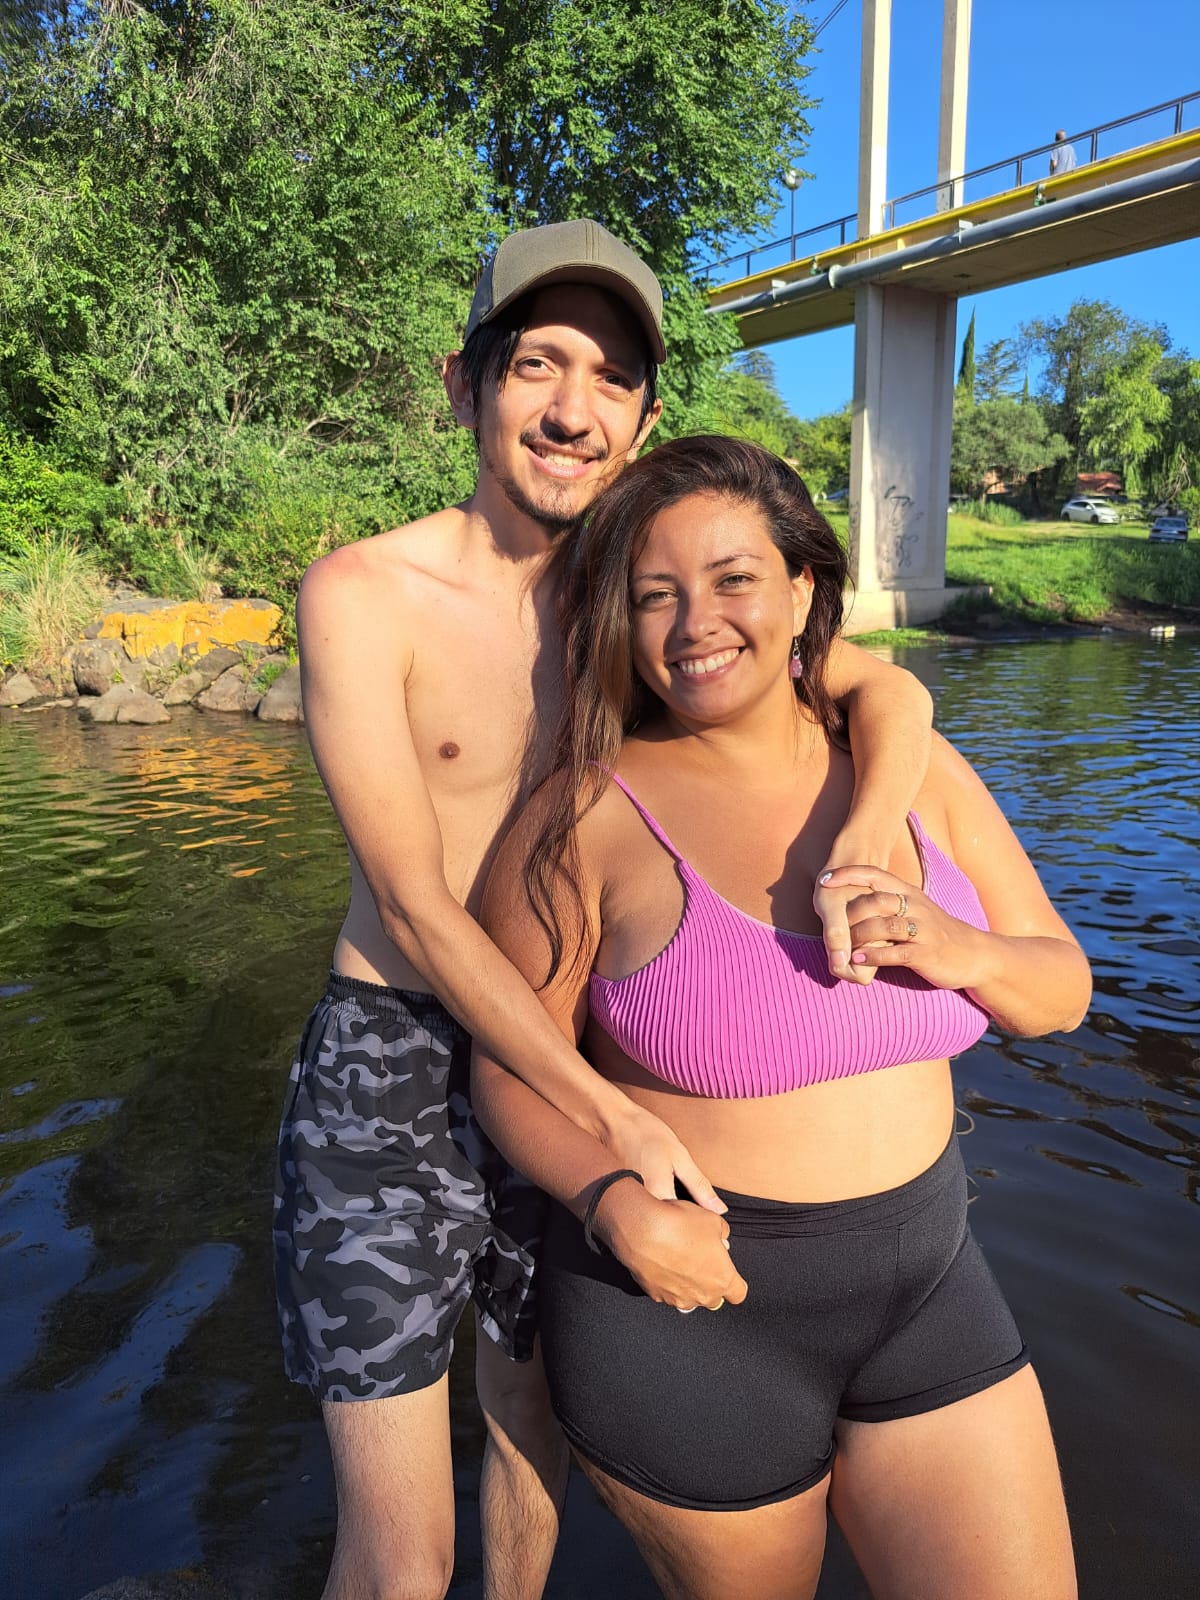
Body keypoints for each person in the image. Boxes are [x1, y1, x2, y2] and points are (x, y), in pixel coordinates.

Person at [271, 223, 937, 1600]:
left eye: (612, 379)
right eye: (538, 365)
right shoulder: (364, 593)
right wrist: (611, 1115)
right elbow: (413, 899)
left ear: (642, 417)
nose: (573, 410)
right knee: (400, 1557)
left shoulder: (649, 607)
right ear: (463, 383)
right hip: (397, 1062)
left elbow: (886, 687)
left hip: (571, 1039)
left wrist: (872, 834)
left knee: (534, 1421)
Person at [473, 435, 1091, 1600]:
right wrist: (609, 1204)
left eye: (733, 579)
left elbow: (1060, 989)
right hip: (684, 1313)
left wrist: (955, 948)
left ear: (804, 590)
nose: (694, 623)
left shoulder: (912, 771)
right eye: (654, 595)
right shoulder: (582, 819)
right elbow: (508, 1066)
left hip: (929, 1283)